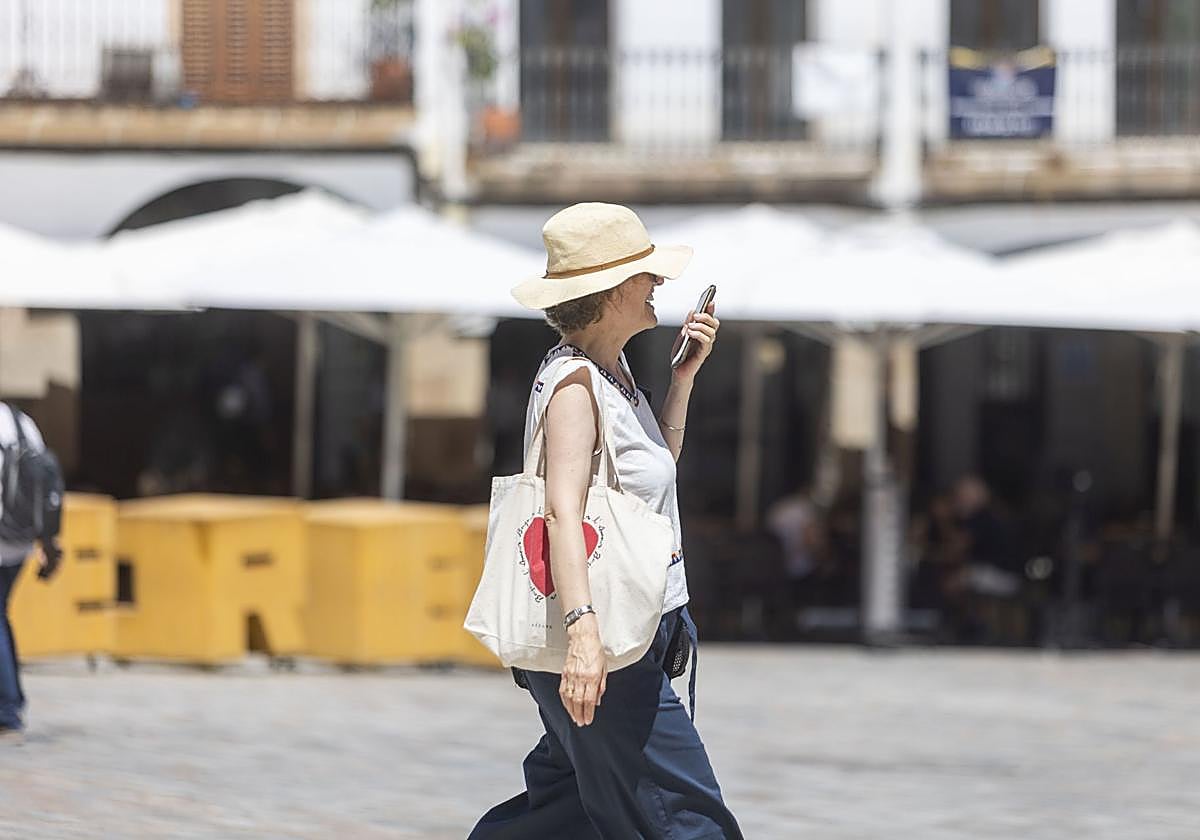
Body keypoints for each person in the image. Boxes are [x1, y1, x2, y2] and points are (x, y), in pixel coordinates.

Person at [470, 203, 743, 838]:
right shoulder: (573, 383)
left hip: (633, 627)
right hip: (606, 641)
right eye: (648, 276)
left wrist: (681, 382)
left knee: (565, 812)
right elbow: (563, 512)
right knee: (689, 819)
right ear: (615, 289)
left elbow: (646, 483)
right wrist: (584, 637)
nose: (659, 286)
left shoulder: (614, 376)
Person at [0, 405, 62, 736]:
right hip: (21, 541)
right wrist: (48, 541)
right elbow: (44, 484)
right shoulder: (22, 422)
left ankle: (8, 710)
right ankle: (11, 702)